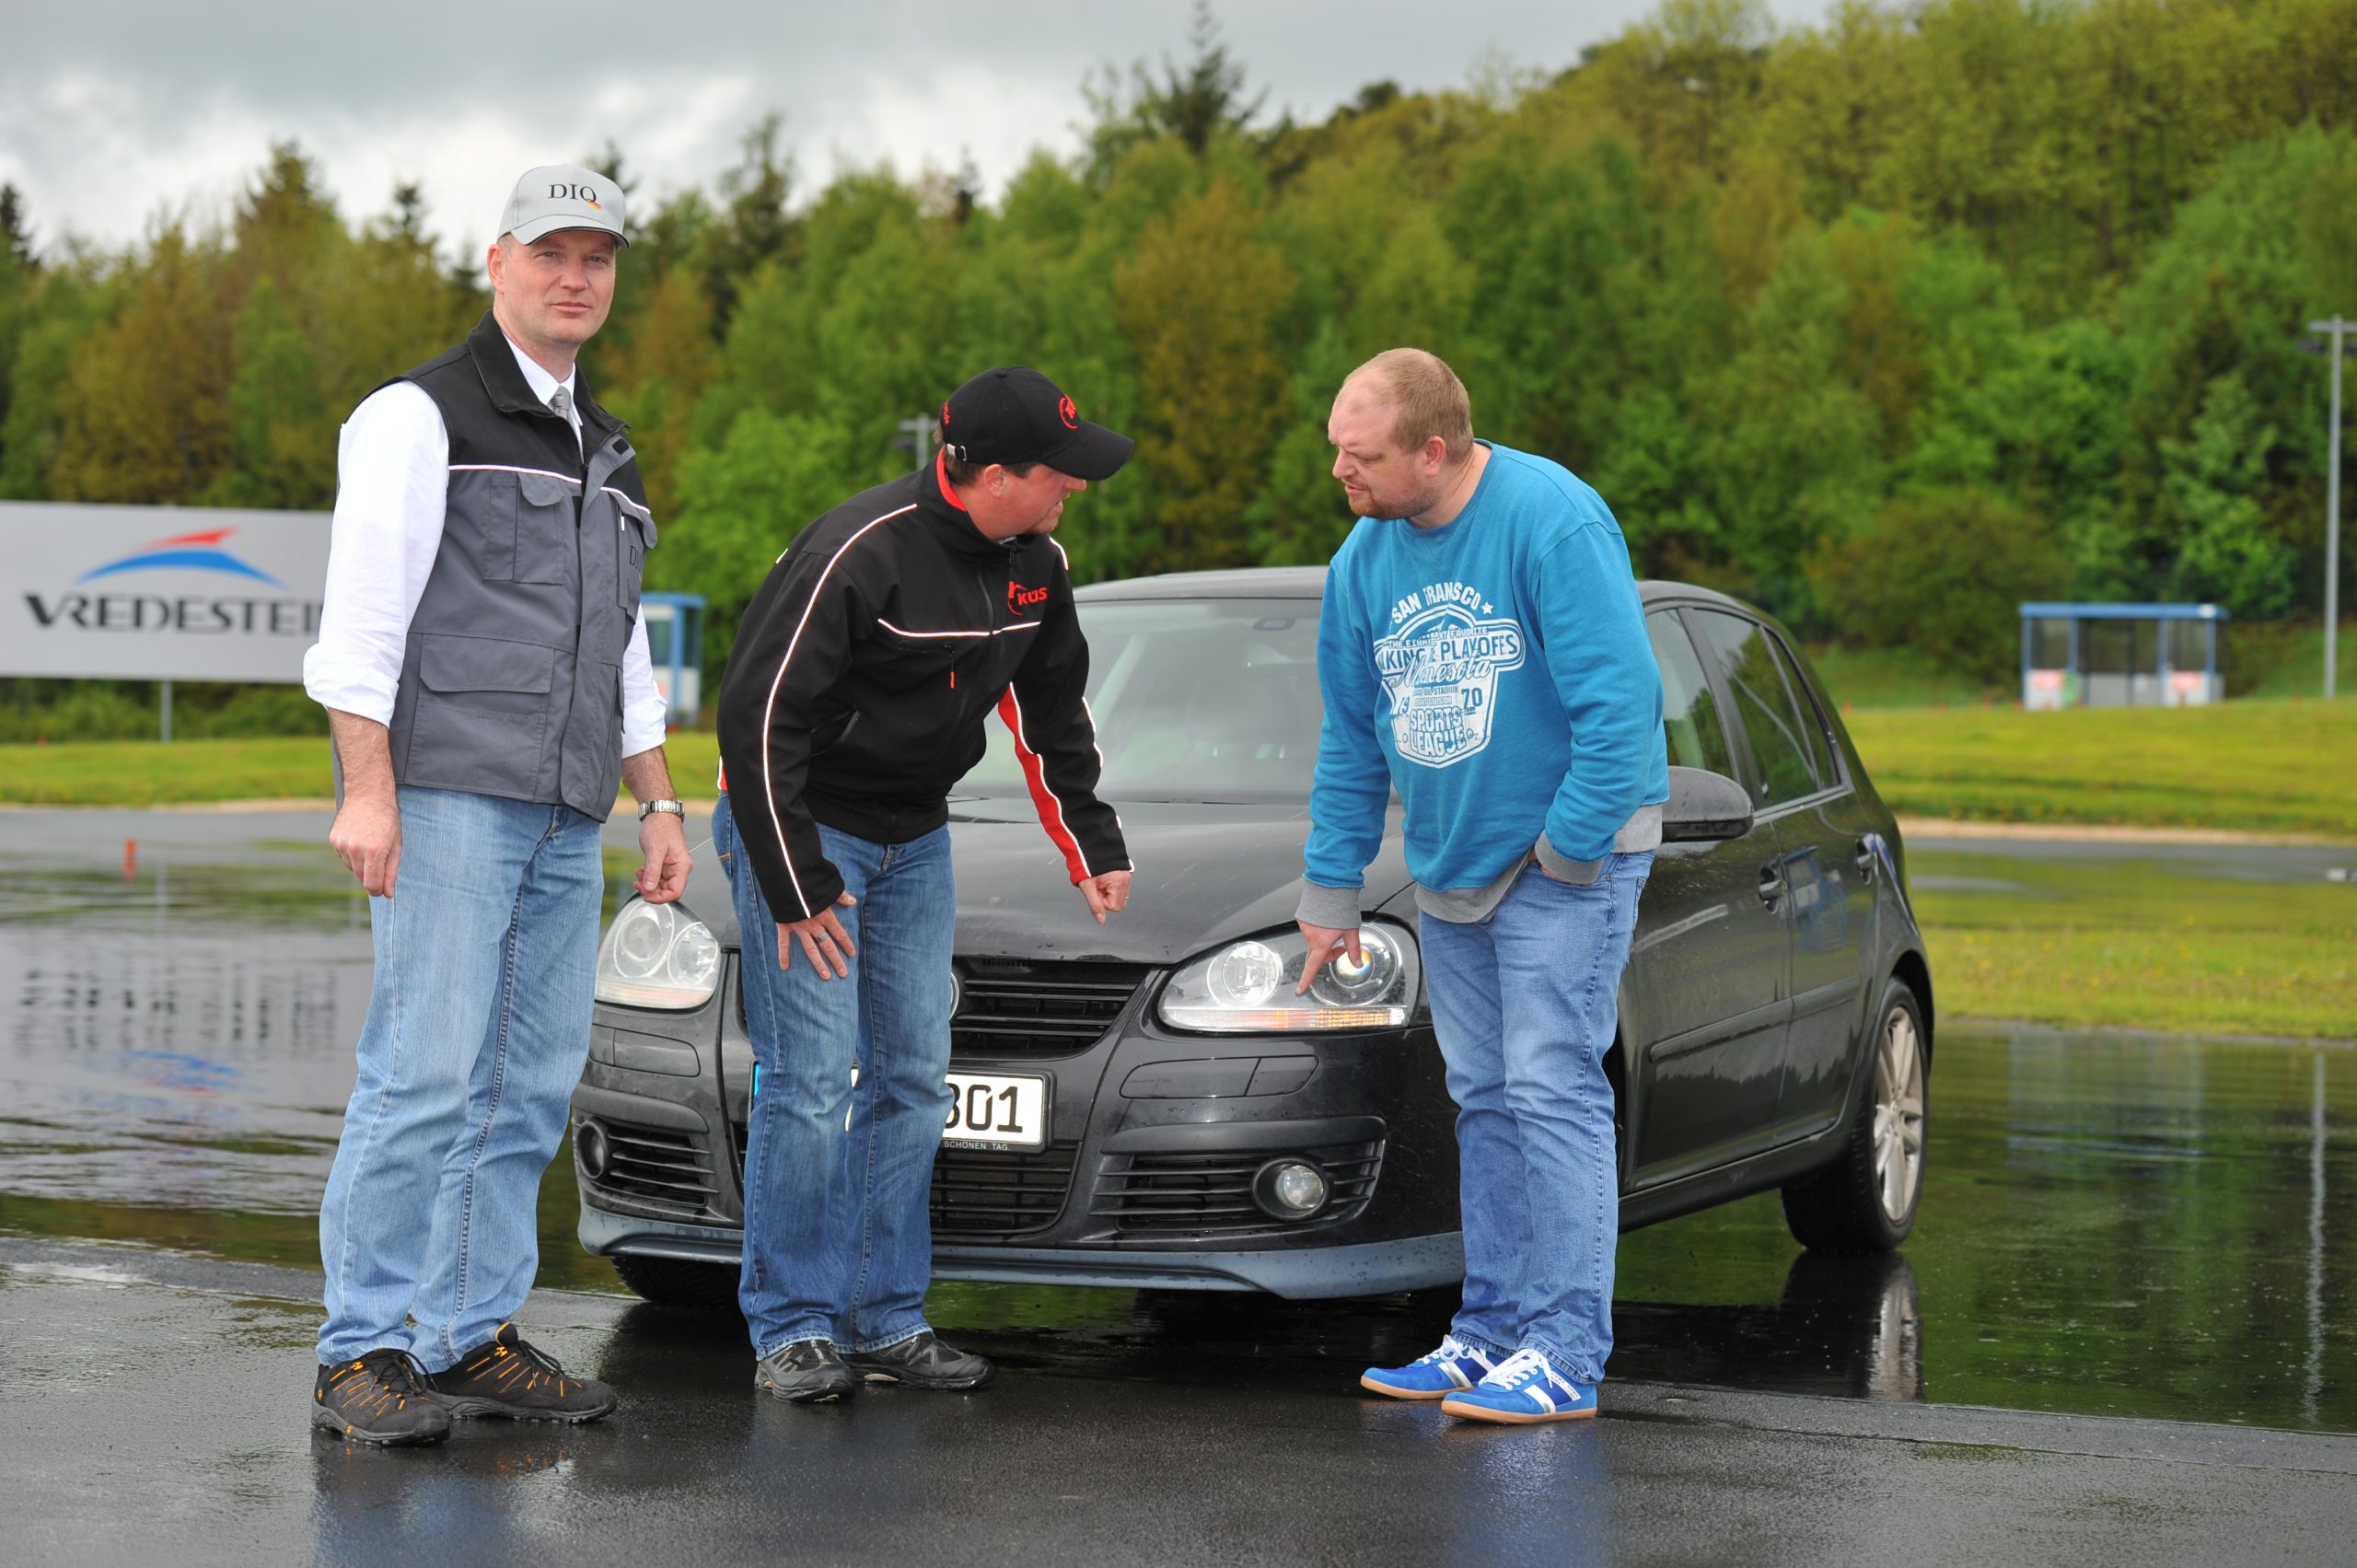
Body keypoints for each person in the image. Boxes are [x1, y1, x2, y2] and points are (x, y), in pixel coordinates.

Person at [302, 164, 691, 1446]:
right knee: (421, 1074)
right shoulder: (417, 416)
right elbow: (360, 620)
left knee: (528, 1083)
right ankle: (361, 1346)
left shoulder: (608, 448)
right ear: (497, 263)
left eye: (597, 257)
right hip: (451, 791)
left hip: (568, 807)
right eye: (550, 254)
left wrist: (660, 799)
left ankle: (466, 1331)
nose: (575, 276)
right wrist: (370, 789)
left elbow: (621, 643)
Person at [713, 366, 1134, 1403]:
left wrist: (1092, 837)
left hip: (914, 838)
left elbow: (1050, 707)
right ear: (992, 475)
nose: (1073, 489)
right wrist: (797, 882)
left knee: (911, 1079)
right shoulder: (858, 551)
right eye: (1058, 474)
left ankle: (883, 1314)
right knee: (811, 1082)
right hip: (805, 832)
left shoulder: (1037, 562)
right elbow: (753, 719)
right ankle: (792, 1324)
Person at [1296, 348, 1667, 1424]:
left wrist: (1569, 845)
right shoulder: (1363, 560)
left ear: (1433, 447)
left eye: (1360, 455)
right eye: (1335, 449)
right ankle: (1490, 1333)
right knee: (1486, 1098)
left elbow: (1622, 702)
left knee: (1552, 1087)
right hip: (1450, 865)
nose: (1341, 473)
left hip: (1561, 863)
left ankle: (1563, 1350)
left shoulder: (1551, 519)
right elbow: (1351, 738)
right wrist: (1329, 890)